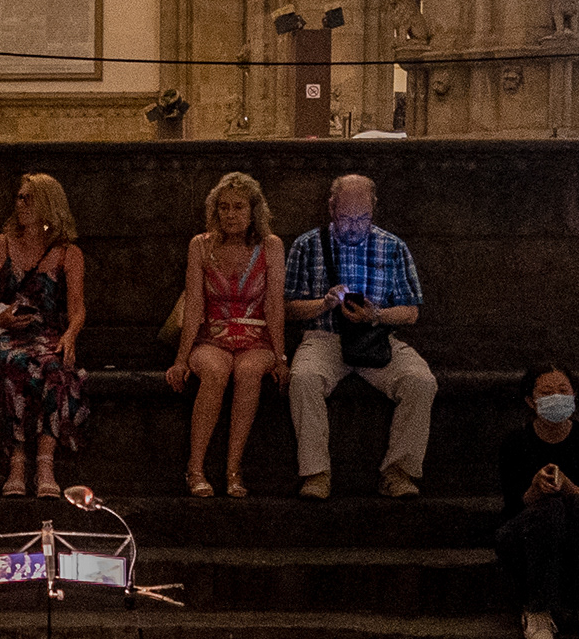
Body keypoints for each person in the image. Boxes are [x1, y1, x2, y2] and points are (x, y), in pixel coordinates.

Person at [282, 172, 437, 498]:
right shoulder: (307, 246)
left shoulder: (393, 247)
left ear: (374, 210)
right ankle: (316, 474)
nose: (353, 226)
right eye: (345, 218)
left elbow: (410, 311)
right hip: (323, 336)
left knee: (421, 381)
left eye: (362, 218)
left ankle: (398, 472)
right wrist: (324, 303)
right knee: (304, 378)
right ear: (331, 209)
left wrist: (376, 314)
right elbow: (290, 307)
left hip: (376, 339)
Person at [0, 171, 89, 497]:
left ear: (48, 204)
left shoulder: (67, 253)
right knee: (14, 365)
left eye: (28, 198)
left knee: (54, 368)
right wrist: (1, 319)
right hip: (10, 333)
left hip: (49, 332)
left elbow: (78, 307)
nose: (20, 204)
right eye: (19, 197)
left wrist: (71, 335)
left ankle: (46, 461)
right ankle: (17, 460)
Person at [165, 171, 286, 497]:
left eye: (238, 207)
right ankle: (195, 467)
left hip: (256, 335)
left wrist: (281, 356)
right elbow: (193, 306)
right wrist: (180, 359)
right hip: (212, 334)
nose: (231, 214)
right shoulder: (200, 246)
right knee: (216, 372)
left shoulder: (270, 247)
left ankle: (233, 469)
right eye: (224, 207)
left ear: (253, 211)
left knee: (248, 372)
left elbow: (275, 305)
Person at [497, 362, 579, 639]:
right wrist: (536, 489)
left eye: (563, 390)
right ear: (530, 401)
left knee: (578, 507)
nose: (556, 397)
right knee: (550, 510)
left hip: (577, 527)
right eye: (546, 392)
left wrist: (571, 488)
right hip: (524, 532)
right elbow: (513, 504)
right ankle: (536, 608)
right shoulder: (515, 443)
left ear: (574, 395)